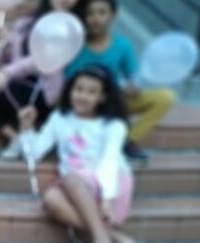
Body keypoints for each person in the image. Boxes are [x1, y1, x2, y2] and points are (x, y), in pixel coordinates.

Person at [18, 64, 141, 243]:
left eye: (92, 92)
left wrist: (108, 200)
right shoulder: (60, 118)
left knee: (71, 178)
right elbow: (34, 153)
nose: (82, 96)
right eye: (79, 89)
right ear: (70, 90)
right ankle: (118, 240)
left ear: (103, 97)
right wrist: (26, 127)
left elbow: (109, 162)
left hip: (110, 182)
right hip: (75, 186)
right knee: (51, 199)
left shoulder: (113, 125)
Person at [0, 0, 84, 160]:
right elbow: (2, 62)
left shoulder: (70, 27)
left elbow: (39, 60)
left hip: (42, 91)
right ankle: (16, 138)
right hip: (15, 86)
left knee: (6, 86)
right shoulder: (25, 23)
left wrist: (6, 73)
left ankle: (30, 137)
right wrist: (6, 44)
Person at [66, 0, 177, 160]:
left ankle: (127, 141)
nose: (95, 18)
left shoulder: (122, 45)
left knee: (165, 97)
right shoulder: (76, 44)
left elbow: (132, 77)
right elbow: (68, 80)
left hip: (113, 100)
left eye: (101, 13)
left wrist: (132, 87)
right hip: (83, 103)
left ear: (113, 16)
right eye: (90, 13)